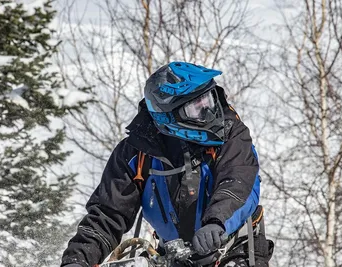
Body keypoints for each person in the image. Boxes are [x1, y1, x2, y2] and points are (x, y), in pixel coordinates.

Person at [61, 62, 273, 267]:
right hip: (171, 256)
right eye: (196, 108)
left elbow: (238, 181)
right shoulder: (135, 153)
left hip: (234, 247)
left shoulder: (231, 134)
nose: (209, 113)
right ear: (167, 116)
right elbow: (108, 214)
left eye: (208, 101)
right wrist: (78, 259)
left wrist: (217, 221)